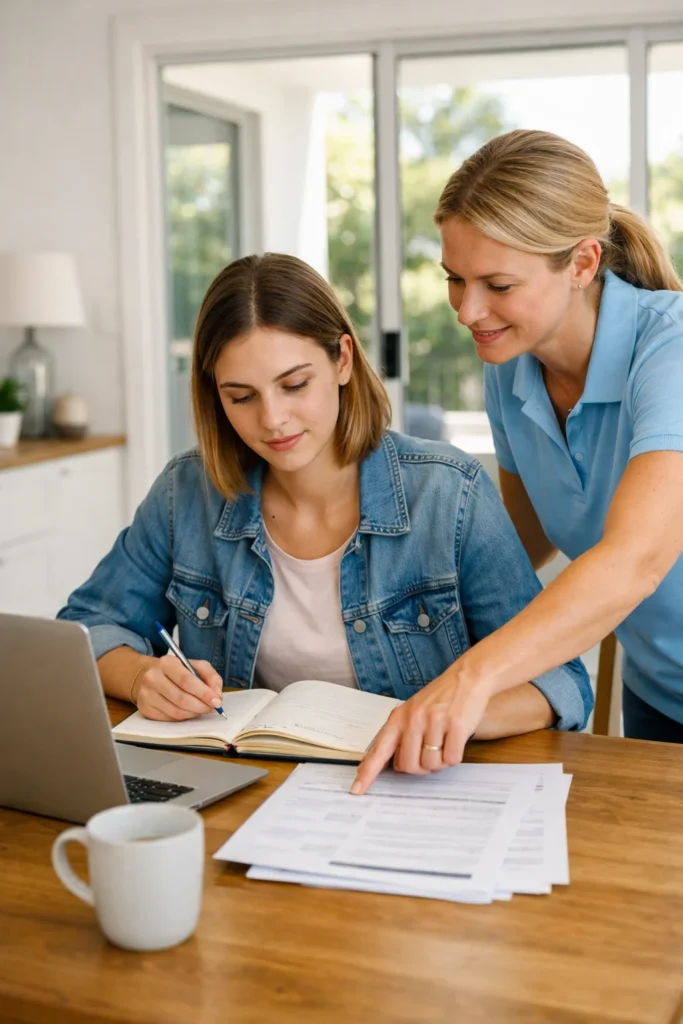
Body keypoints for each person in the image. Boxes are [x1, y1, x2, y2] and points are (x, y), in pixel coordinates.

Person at [58, 252, 590, 741]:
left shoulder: (449, 493)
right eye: (241, 397)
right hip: (248, 790)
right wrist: (141, 677)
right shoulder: (187, 494)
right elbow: (84, 627)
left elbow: (559, 683)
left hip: (410, 790)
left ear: (342, 360)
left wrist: (448, 717)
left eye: (294, 385)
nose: (272, 419)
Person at [353, 128, 683, 794]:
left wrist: (470, 679)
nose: (467, 311)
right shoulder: (512, 368)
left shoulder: (669, 350)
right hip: (660, 689)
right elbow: (518, 536)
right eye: (454, 279)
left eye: (497, 284)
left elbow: (634, 560)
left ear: (583, 263)